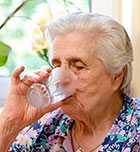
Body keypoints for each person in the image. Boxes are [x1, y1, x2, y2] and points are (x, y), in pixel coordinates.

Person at [0, 12, 140, 152]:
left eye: (78, 67)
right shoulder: (43, 124)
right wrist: (10, 122)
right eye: (57, 66)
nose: (61, 79)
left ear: (117, 76)